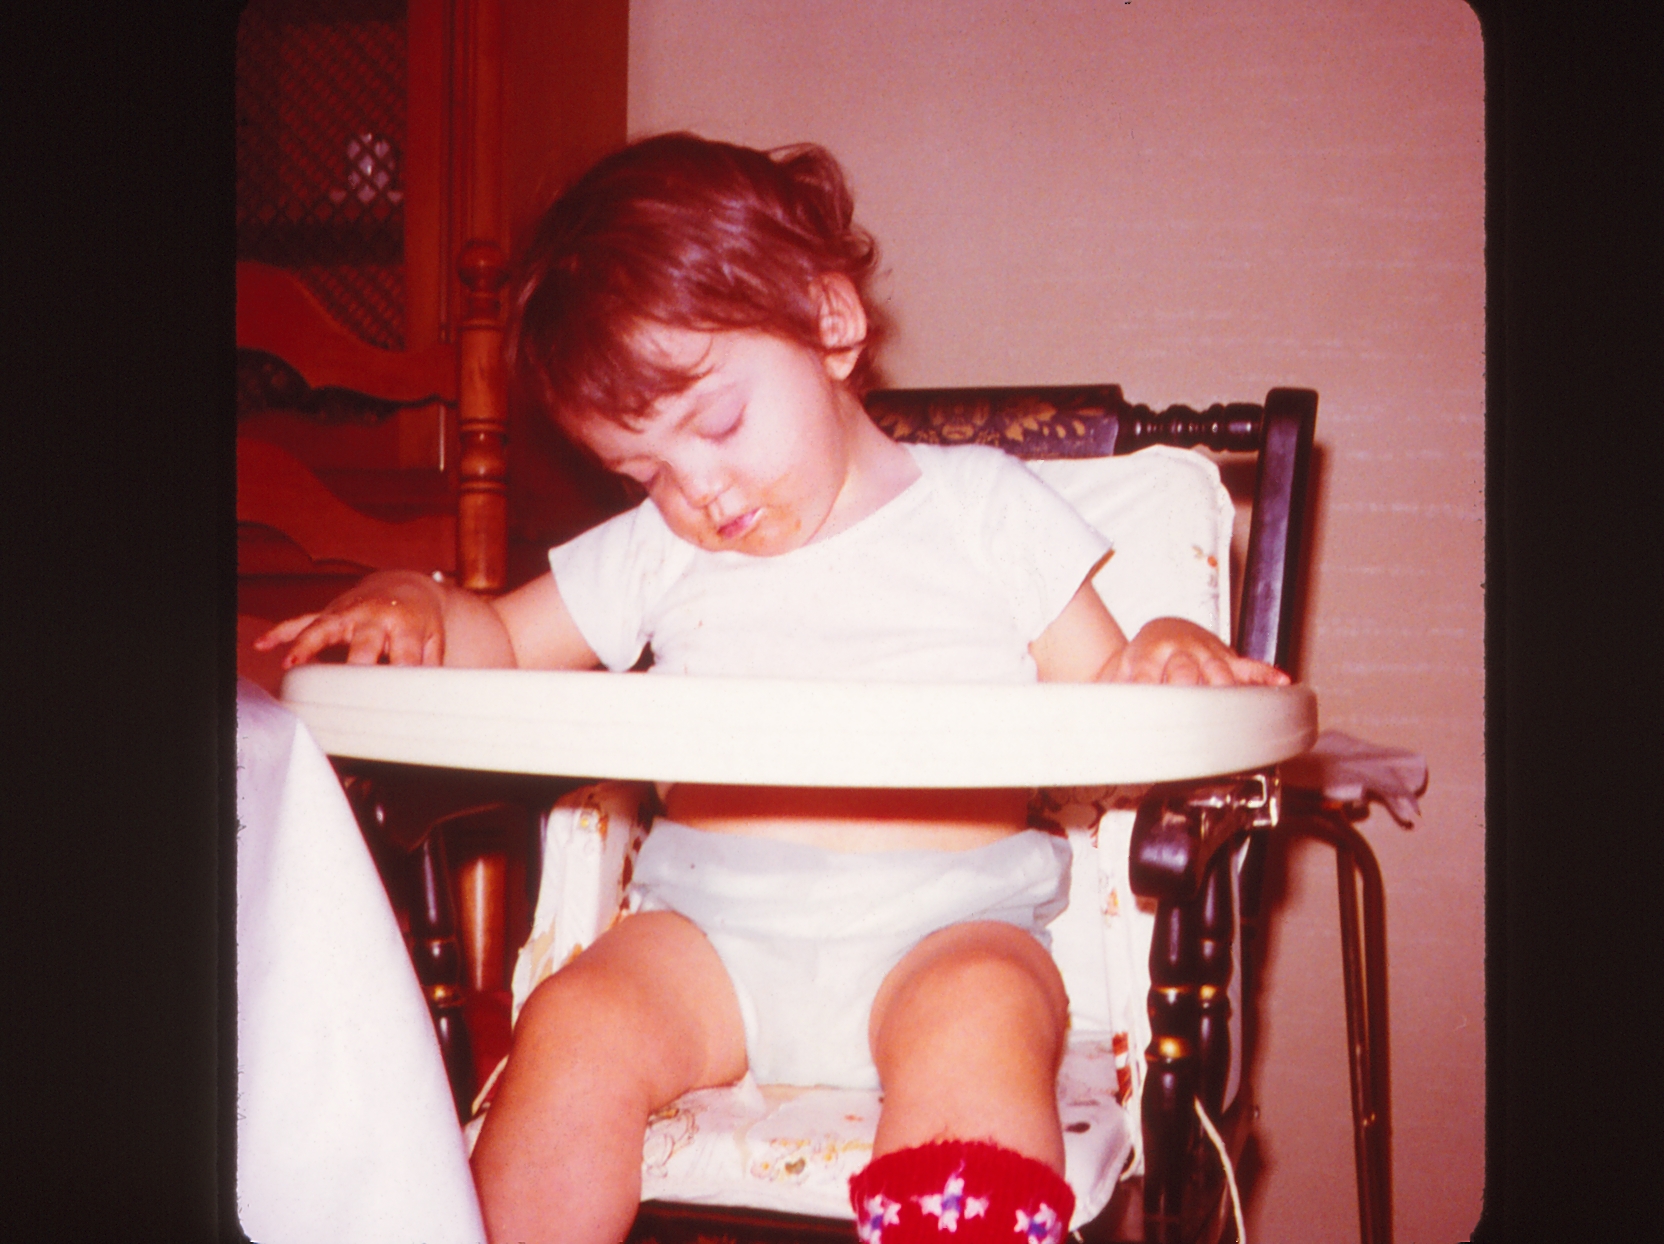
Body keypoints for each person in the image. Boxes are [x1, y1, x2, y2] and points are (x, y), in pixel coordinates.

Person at [257, 132, 1287, 1244]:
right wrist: (417, 602)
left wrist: (1166, 643)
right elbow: (500, 639)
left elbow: (1114, 691)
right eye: (644, 470)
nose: (697, 490)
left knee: (983, 1025)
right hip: (706, 937)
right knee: (573, 1021)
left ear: (830, 322)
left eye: (715, 424)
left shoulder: (987, 511)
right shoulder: (658, 550)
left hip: (947, 930)